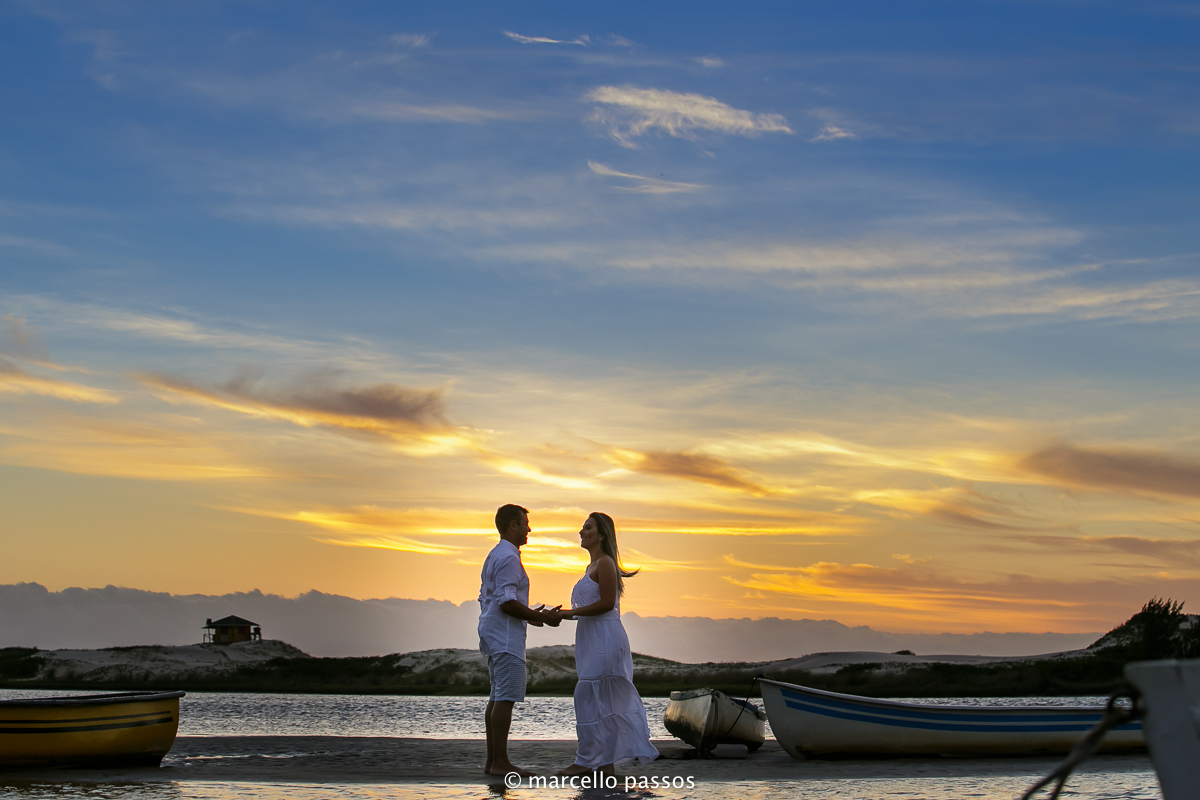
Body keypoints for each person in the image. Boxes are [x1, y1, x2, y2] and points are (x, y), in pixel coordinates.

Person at [557, 512, 658, 776]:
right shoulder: (591, 567)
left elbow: (606, 604)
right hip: (590, 638)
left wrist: (569, 613)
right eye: (582, 527)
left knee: (600, 697)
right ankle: (602, 763)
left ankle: (588, 762)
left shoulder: (605, 563)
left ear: (602, 534)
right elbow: (589, 607)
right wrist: (561, 615)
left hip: (605, 637)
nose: (581, 531)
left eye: (588, 527)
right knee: (594, 697)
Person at [479, 503, 561, 777]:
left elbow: (494, 599)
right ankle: (500, 763)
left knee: (497, 696)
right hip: (505, 637)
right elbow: (506, 603)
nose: (529, 529)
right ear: (512, 525)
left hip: (494, 632)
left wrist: (530, 616)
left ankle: (493, 762)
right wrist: (542, 617)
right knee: (505, 697)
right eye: (525, 523)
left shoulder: (495, 554)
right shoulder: (509, 558)